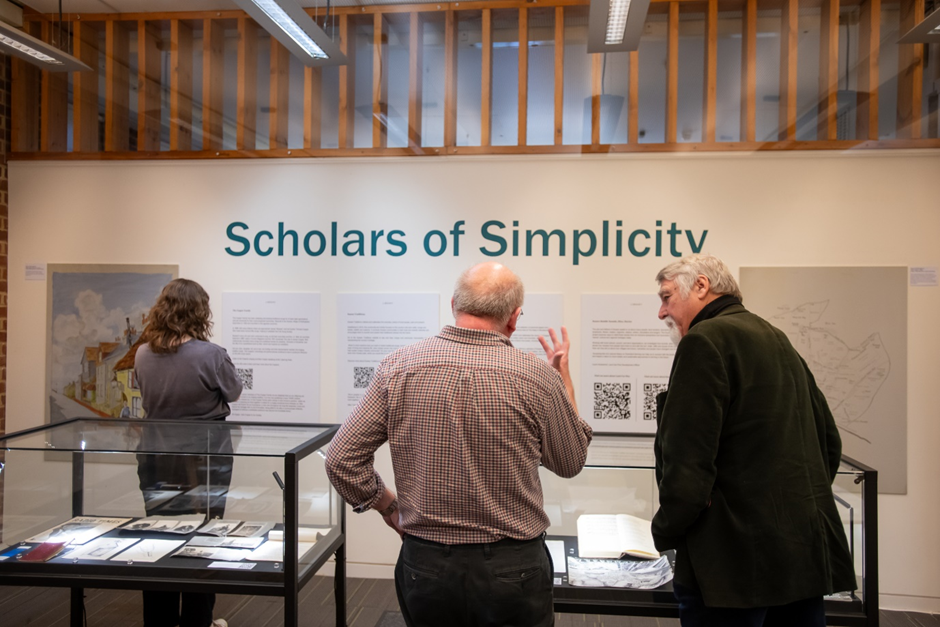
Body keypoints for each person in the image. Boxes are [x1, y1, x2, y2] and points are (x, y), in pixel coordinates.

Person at [326, 262, 593, 627]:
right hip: (513, 566)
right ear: (514, 319)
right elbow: (571, 461)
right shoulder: (538, 377)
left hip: (427, 562)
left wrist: (388, 507)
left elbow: (341, 459)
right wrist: (565, 383)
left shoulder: (397, 367)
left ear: (454, 304)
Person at [651, 254, 857, 627]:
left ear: (701, 286)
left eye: (666, 297)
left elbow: (688, 463)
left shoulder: (704, 340)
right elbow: (829, 444)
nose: (662, 311)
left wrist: (666, 529)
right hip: (801, 557)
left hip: (733, 565)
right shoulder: (776, 337)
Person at [135, 278, 242, 627]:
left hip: (155, 458)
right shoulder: (211, 354)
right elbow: (234, 391)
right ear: (199, 312)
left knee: (161, 536)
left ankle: (161, 621)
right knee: (203, 539)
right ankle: (198, 621)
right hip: (204, 460)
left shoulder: (142, 352)